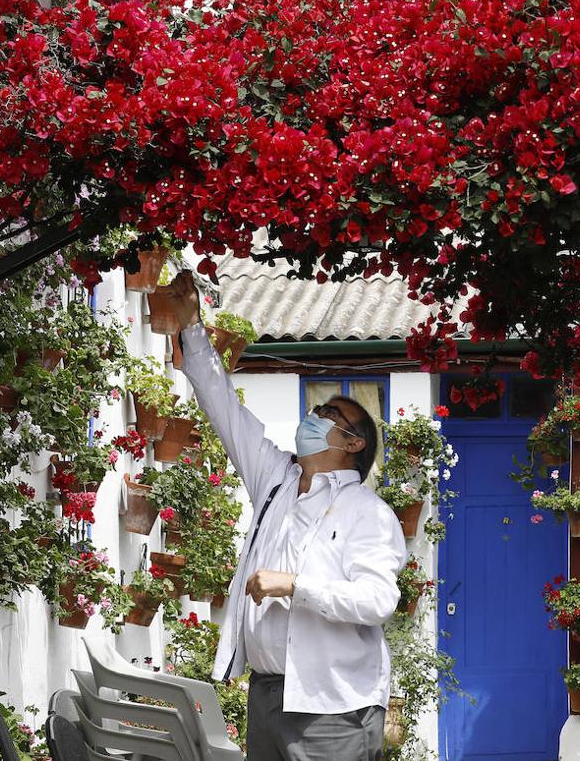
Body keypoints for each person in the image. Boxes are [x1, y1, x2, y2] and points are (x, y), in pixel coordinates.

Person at [168, 271, 405, 761]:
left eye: (329, 416)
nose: (313, 418)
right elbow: (224, 410)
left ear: (353, 445)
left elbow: (379, 600)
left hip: (333, 708)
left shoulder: (369, 512)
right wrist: (191, 325)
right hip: (268, 694)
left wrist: (295, 585)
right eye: (316, 410)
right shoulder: (275, 480)